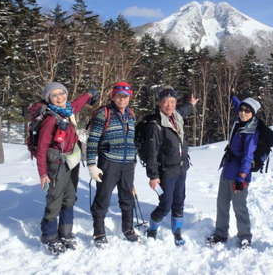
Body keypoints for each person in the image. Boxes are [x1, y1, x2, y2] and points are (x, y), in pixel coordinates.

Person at [37, 82, 96, 254]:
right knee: (55, 198)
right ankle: (49, 235)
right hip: (56, 162)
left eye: (61, 93)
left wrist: (89, 94)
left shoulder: (68, 110)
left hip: (72, 160)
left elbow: (77, 103)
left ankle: (65, 232)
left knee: (70, 197)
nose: (59, 98)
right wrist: (43, 173)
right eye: (54, 96)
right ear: (49, 99)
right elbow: (41, 149)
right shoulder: (50, 119)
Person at [207, 96, 264, 249]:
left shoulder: (251, 132)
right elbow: (239, 105)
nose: (243, 113)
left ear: (253, 113)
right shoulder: (240, 123)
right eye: (241, 110)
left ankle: (245, 236)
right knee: (222, 204)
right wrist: (233, 97)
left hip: (239, 176)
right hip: (227, 171)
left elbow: (248, 156)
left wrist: (242, 177)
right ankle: (220, 233)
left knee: (239, 207)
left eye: (247, 111)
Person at [144, 86, 198, 246]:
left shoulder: (176, 116)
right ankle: (152, 228)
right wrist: (153, 176)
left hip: (181, 168)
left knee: (179, 200)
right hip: (166, 171)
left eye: (172, 101)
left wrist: (191, 104)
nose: (169, 105)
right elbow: (151, 153)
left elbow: (183, 110)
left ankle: (177, 230)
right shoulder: (155, 124)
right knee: (166, 204)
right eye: (165, 102)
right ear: (159, 103)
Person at [86, 81, 138, 247]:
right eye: (119, 96)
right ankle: (99, 231)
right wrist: (92, 164)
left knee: (127, 197)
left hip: (128, 164)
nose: (122, 99)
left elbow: (131, 140)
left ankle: (128, 228)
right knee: (103, 197)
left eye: (125, 96)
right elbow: (93, 139)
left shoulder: (131, 114)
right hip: (108, 162)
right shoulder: (104, 113)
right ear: (113, 96)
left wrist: (133, 160)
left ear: (130, 97)